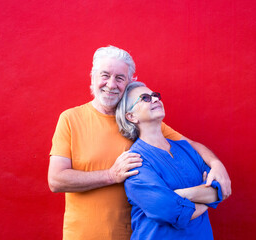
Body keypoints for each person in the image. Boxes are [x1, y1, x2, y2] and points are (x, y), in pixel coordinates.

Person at [48, 45, 231, 240]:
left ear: (128, 83)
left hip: (135, 233)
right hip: (85, 234)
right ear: (92, 77)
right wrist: (110, 175)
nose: (111, 84)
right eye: (105, 75)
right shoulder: (71, 119)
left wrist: (216, 164)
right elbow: (56, 180)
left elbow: (191, 146)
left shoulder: (143, 123)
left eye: (120, 78)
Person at [116, 81, 224, 239]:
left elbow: (218, 189)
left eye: (155, 95)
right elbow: (169, 210)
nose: (155, 99)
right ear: (131, 117)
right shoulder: (135, 161)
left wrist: (181, 194)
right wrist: (206, 198)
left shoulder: (186, 148)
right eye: (145, 98)